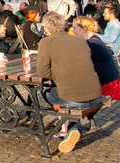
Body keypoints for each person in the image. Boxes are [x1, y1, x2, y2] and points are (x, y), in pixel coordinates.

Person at [36, 11, 102, 154]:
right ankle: (73, 129)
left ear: (47, 28)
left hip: (74, 99)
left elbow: (42, 72)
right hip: (96, 95)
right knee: (69, 94)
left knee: (43, 93)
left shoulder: (46, 42)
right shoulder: (79, 40)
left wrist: (59, 76)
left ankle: (72, 128)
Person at [72, 16, 120, 102]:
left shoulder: (91, 44)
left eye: (75, 28)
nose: (72, 31)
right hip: (112, 82)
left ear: (84, 29)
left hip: (107, 86)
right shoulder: (95, 40)